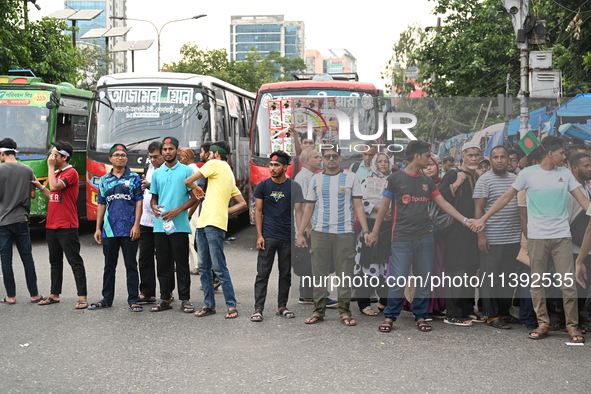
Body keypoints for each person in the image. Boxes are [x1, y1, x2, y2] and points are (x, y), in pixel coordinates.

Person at [473, 136, 588, 343]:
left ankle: (573, 326)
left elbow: (583, 201)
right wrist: (483, 218)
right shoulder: (528, 174)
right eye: (562, 153)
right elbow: (506, 198)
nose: (565, 156)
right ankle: (542, 323)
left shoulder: (566, 174)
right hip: (536, 237)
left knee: (567, 283)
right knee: (538, 283)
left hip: (562, 237)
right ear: (550, 153)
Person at [367, 140, 474, 333]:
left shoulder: (427, 180)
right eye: (427, 156)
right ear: (417, 156)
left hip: (425, 238)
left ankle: (421, 315)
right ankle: (391, 316)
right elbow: (384, 207)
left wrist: (465, 220)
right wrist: (374, 231)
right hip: (401, 239)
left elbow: (443, 204)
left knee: (424, 280)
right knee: (399, 280)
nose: (430, 159)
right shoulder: (396, 178)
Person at [296, 147, 370, 326]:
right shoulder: (316, 178)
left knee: (344, 273)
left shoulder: (351, 177)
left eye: (334, 156)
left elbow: (359, 206)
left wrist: (366, 231)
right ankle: (318, 311)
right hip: (320, 233)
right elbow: (308, 207)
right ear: (322, 158)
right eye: (327, 156)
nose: (330, 159)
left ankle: (345, 312)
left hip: (344, 233)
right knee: (319, 273)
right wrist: (301, 232)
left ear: (340, 158)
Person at [184, 141, 247, 319]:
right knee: (209, 267)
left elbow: (188, 180)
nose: (207, 156)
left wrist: (196, 189)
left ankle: (224, 305)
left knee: (213, 267)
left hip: (210, 224)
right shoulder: (228, 173)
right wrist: (225, 211)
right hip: (210, 222)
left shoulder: (213, 164)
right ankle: (218, 306)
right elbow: (242, 203)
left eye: (210, 153)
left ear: (217, 154)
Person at [32, 142, 88, 309]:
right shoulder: (57, 173)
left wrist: (49, 167)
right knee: (55, 261)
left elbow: (56, 186)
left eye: (55, 155)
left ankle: (82, 297)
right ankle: (54, 294)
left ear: (64, 157)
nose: (51, 157)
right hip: (52, 225)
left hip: (67, 225)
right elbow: (54, 195)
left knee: (74, 261)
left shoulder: (70, 173)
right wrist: (41, 187)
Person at [251, 150, 304, 322]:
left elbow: (299, 212)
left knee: (285, 274)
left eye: (276, 165)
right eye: (271, 165)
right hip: (268, 236)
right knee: (262, 274)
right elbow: (258, 211)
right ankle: (258, 308)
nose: (272, 168)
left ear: (285, 167)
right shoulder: (263, 186)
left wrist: (300, 234)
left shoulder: (294, 187)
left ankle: (282, 306)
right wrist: (259, 235)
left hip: (287, 237)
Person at [90, 144, 143, 312]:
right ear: (110, 159)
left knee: (131, 265)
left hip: (129, 230)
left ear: (127, 158)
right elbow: (101, 204)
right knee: (109, 266)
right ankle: (107, 298)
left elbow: (138, 202)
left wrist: (136, 225)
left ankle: (133, 299)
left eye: (123, 155)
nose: (120, 157)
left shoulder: (134, 177)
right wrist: (98, 228)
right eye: (117, 155)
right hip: (109, 230)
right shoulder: (104, 180)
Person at [473, 145, 520, 329]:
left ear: (509, 159)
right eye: (495, 157)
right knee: (490, 278)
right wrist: (481, 236)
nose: (499, 160)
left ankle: (503, 312)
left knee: (508, 278)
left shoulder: (516, 179)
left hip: (513, 237)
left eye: (503, 157)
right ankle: (491, 315)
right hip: (492, 238)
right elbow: (478, 209)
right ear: (490, 160)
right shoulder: (484, 180)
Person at [149, 137, 198, 313]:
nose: (167, 152)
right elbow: (154, 196)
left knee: (182, 263)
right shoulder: (157, 173)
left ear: (177, 151)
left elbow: (195, 197)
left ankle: (185, 299)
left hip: (179, 225)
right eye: (165, 149)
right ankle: (165, 298)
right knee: (163, 264)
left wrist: (178, 211)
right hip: (160, 226)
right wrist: (154, 206)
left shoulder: (186, 171)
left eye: (171, 149)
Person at [439, 141, 483, 326]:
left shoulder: (477, 175)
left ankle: (467, 309)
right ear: (462, 156)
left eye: (476, 155)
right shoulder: (453, 173)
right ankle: (453, 313)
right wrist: (456, 184)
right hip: (457, 230)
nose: (473, 158)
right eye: (470, 155)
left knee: (471, 269)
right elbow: (439, 197)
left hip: (473, 230)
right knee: (458, 270)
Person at [292, 147, 338, 307]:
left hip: (309, 226)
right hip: (308, 227)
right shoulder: (304, 177)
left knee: (311, 261)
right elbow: (304, 204)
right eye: (317, 157)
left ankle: (308, 295)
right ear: (307, 161)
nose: (320, 159)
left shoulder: (311, 176)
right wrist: (308, 227)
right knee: (316, 261)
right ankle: (318, 296)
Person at [0, 138, 43, 304]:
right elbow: (32, 195)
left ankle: (11, 296)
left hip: (3, 221)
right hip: (22, 220)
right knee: (27, 258)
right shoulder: (27, 170)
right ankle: (34, 294)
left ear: (2, 153)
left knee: (6, 259)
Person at [354, 152, 393, 316]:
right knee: (368, 266)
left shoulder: (395, 180)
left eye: (386, 161)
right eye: (380, 162)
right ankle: (364, 303)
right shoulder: (366, 181)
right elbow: (360, 201)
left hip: (389, 229)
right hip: (369, 227)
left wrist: (392, 211)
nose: (383, 164)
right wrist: (380, 210)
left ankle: (384, 301)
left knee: (385, 267)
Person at [137, 141, 167, 304]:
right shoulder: (148, 169)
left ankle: (166, 293)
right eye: (151, 157)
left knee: (163, 259)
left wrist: (150, 186)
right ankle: (147, 292)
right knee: (144, 257)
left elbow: (169, 192)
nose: (153, 160)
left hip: (162, 220)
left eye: (156, 157)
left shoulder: (167, 171)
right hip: (146, 220)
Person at [179, 148, 200, 276]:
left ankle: (198, 265)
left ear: (186, 158)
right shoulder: (197, 169)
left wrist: (189, 213)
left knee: (192, 238)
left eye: (181, 158)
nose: (180, 160)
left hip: (193, 208)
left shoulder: (190, 171)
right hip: (196, 207)